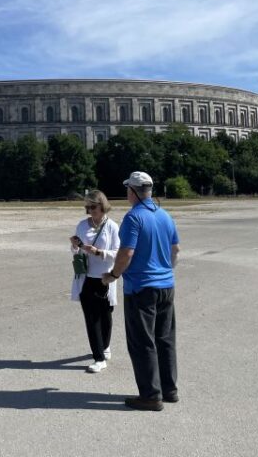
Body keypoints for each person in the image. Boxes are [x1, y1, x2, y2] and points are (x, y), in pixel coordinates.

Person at [103, 171, 180, 411]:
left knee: (142, 342)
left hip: (141, 289)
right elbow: (175, 249)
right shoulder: (165, 216)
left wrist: (113, 275)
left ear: (133, 191)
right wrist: (165, 270)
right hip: (166, 286)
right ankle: (169, 389)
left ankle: (150, 395)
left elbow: (127, 253)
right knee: (165, 339)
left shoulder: (133, 218)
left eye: (128, 189)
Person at [69, 190, 120, 373]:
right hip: (87, 279)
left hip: (106, 278)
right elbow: (76, 252)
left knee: (106, 316)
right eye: (88, 207)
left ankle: (105, 347)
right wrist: (76, 246)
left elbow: (118, 253)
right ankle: (98, 358)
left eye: (94, 206)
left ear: (102, 205)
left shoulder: (112, 226)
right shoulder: (82, 225)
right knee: (91, 319)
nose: (91, 210)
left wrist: (98, 252)